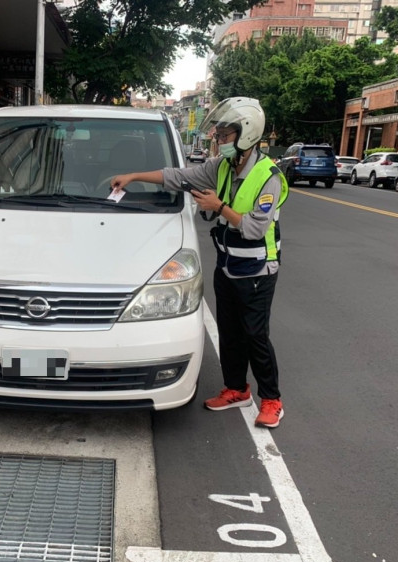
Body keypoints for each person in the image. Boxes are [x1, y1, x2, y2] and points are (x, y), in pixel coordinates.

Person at [110, 97, 289, 428]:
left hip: (257, 272)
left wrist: (219, 206)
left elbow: (253, 228)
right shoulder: (221, 167)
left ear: (246, 134)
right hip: (228, 267)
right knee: (230, 335)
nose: (219, 140)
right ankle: (236, 390)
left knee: (255, 337)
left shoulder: (268, 176)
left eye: (225, 134)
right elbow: (179, 176)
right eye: (218, 134)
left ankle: (272, 400)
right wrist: (134, 176)